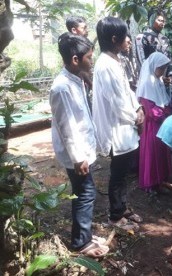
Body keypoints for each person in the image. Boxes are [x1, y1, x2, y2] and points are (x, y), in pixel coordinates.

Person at [50, 32, 108, 257]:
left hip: (83, 150)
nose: (92, 61)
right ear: (76, 59)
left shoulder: (76, 80)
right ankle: (81, 242)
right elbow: (67, 126)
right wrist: (78, 158)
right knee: (85, 194)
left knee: (85, 192)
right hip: (78, 154)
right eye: (90, 58)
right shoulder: (62, 87)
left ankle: (84, 235)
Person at [93, 17, 144, 231]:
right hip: (117, 129)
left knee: (122, 173)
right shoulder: (106, 65)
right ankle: (115, 216)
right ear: (115, 39)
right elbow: (116, 102)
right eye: (126, 37)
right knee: (118, 173)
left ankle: (122, 208)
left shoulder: (115, 61)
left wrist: (138, 107)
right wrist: (135, 116)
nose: (129, 41)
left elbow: (127, 93)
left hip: (125, 127)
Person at [136, 52, 172, 194]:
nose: (163, 71)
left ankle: (160, 180)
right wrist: (164, 114)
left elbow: (164, 101)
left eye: (164, 68)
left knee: (161, 152)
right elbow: (150, 110)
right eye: (161, 68)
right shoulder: (147, 83)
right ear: (154, 66)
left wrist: (167, 111)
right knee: (152, 154)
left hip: (161, 123)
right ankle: (150, 183)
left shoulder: (158, 81)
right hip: (152, 126)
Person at [135, 10, 172, 88]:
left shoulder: (165, 39)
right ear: (151, 20)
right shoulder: (143, 37)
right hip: (149, 82)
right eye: (159, 20)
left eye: (163, 21)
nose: (162, 23)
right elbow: (142, 60)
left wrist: (170, 76)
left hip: (164, 82)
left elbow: (168, 59)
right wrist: (156, 76)